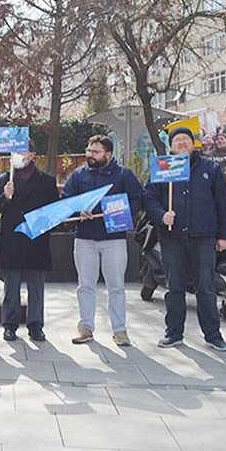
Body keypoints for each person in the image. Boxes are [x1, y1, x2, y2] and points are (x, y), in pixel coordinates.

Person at [144, 127, 226, 352]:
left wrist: (225, 235)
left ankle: (213, 335)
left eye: (186, 140)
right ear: (171, 146)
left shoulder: (210, 169)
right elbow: (149, 198)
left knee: (206, 288)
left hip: (203, 237)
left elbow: (223, 203)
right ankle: (173, 333)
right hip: (172, 237)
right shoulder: (164, 168)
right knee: (174, 287)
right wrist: (161, 215)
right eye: (177, 140)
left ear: (194, 144)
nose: (182, 143)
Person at [62, 135, 143, 346]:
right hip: (84, 238)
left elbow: (138, 199)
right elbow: (66, 200)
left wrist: (121, 212)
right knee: (85, 285)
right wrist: (79, 210)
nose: (90, 155)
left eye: (95, 152)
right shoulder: (78, 175)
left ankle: (120, 330)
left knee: (116, 286)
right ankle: (85, 327)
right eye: (88, 150)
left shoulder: (123, 174)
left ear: (108, 154)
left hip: (114, 239)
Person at [0, 151, 59, 342]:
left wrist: (41, 221)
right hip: (12, 241)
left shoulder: (46, 180)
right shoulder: (5, 178)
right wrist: (5, 196)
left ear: (33, 155)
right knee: (11, 287)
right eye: (16, 152)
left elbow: (55, 212)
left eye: (23, 152)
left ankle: (36, 325)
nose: (19, 156)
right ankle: (10, 325)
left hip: (37, 241)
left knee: (36, 288)